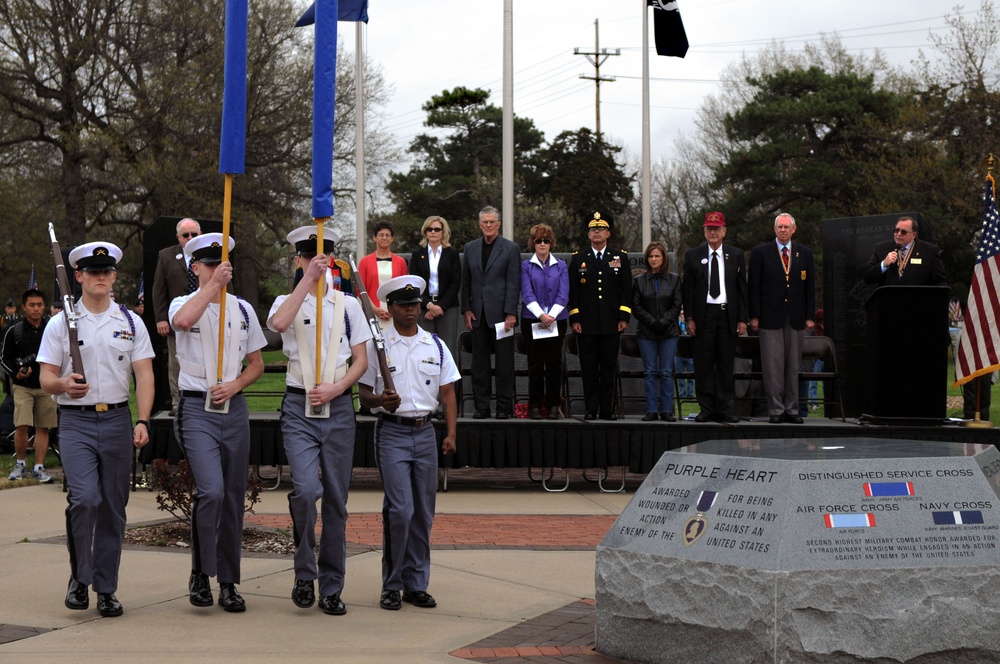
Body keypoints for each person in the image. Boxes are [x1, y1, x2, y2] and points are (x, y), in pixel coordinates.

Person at [37, 242, 154, 618]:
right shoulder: (61, 323)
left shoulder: (130, 322)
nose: (100, 278)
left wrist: (143, 419)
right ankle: (79, 577)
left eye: (106, 272)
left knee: (113, 508)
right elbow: (45, 378)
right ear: (79, 277)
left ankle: (106, 588)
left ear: (114, 276)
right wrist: (63, 385)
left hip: (118, 419)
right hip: (76, 421)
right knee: (85, 499)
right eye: (93, 272)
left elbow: (145, 375)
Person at [267, 226, 371, 616]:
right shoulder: (287, 300)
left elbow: (360, 360)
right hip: (299, 407)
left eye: (323, 254)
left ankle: (331, 586)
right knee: (307, 490)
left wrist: (338, 387)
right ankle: (303, 571)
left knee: (337, 503)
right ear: (298, 259)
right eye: (309, 255)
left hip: (339, 408)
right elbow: (278, 325)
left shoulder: (348, 305)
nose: (317, 260)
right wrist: (307, 281)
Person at [169, 232, 266, 613]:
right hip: (196, 408)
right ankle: (200, 572)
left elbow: (256, 363)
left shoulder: (242, 310)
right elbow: (182, 320)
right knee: (210, 491)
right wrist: (212, 286)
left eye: (221, 264)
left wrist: (237, 383)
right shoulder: (186, 300)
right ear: (196, 268)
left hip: (234, 408)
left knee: (232, 497)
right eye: (209, 265)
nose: (217, 270)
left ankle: (228, 581)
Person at [358, 275, 459, 612]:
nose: (411, 311)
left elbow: (448, 392)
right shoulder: (379, 346)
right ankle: (392, 584)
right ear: (390, 308)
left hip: (425, 433)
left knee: (423, 514)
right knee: (400, 510)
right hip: (393, 432)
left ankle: (416, 584)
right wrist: (379, 401)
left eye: (415, 305)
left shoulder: (436, 345)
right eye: (404, 306)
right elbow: (363, 395)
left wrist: (450, 433)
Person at [749, 213, 816, 424]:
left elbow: (810, 287)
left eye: (787, 227)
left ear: (794, 229)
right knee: (772, 365)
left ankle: (792, 409)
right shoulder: (761, 253)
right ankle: (776, 410)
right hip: (769, 317)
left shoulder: (804, 253)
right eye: (780, 227)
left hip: (795, 317)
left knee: (793, 365)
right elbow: (754, 286)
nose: (783, 230)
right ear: (774, 229)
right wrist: (754, 315)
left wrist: (810, 317)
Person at [681, 211, 748, 423]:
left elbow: (741, 289)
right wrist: (689, 317)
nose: (712, 232)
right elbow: (688, 290)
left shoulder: (736, 255)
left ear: (724, 231)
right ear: (704, 231)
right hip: (702, 317)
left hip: (727, 315)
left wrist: (742, 319)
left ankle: (724, 408)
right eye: (709, 228)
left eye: (716, 228)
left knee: (726, 363)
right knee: (703, 364)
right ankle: (706, 408)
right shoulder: (692, 255)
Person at [568, 212, 633, 421]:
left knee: (608, 368)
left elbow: (626, 290)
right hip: (586, 325)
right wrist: (575, 319)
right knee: (588, 368)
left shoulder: (619, 257)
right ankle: (591, 409)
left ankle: (607, 409)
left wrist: (624, 317)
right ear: (588, 234)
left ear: (608, 233)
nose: (596, 232)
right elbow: (573, 291)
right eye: (592, 229)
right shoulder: (579, 258)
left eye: (600, 229)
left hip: (612, 323)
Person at [461, 206, 521, 419]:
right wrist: (466, 309)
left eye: (491, 222)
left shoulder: (511, 249)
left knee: (505, 364)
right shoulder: (470, 248)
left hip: (503, 316)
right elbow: (465, 281)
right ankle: (482, 407)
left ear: (498, 224)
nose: (488, 225)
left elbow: (514, 283)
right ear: (479, 224)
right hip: (477, 314)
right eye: (484, 222)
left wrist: (511, 312)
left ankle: (504, 407)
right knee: (480, 364)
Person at [2, 289, 57, 482]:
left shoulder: (52, 328)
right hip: (22, 386)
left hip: (46, 386)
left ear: (44, 306)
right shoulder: (14, 331)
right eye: (32, 305)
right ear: (24, 307)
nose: (36, 309)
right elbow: (4, 358)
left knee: (43, 427)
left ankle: (39, 467)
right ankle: (20, 464)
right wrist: (15, 373)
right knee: (22, 425)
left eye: (39, 305)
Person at [152, 218, 202, 414]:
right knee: (175, 361)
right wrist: (161, 318)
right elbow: (159, 289)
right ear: (178, 237)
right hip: (176, 320)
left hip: (206, 317)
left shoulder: (210, 253)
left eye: (194, 235)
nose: (190, 238)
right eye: (185, 235)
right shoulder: (166, 256)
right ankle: (177, 402)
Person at [520, 224, 569, 420]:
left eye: (546, 241)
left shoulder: (561, 265)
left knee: (554, 364)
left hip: (557, 320)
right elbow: (527, 293)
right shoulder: (526, 266)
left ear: (551, 243)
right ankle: (534, 405)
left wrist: (552, 316)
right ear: (533, 243)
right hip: (532, 319)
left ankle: (554, 405)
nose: (542, 244)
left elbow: (563, 294)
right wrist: (541, 315)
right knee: (535, 364)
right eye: (538, 240)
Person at [632, 241, 682, 422]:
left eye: (657, 256)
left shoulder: (675, 279)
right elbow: (636, 306)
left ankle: (667, 410)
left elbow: (677, 305)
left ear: (663, 258)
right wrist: (653, 322)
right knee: (651, 371)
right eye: (651, 256)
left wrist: (664, 322)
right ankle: (652, 410)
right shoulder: (639, 281)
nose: (654, 259)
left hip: (669, 332)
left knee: (666, 371)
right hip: (647, 332)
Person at [408, 215, 462, 363]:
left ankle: (448, 386)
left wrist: (440, 306)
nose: (433, 232)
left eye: (437, 229)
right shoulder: (418, 255)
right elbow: (414, 282)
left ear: (443, 232)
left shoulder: (452, 254)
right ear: (425, 232)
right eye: (429, 229)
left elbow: (455, 282)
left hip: (448, 308)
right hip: (424, 307)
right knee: (425, 350)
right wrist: (429, 305)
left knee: (447, 350)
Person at [862, 215, 947, 287]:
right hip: (888, 304)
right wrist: (884, 264)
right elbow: (867, 277)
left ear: (914, 234)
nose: (898, 234)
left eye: (903, 232)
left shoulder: (929, 251)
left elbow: (941, 282)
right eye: (896, 230)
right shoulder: (881, 248)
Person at [357, 221, 408, 330]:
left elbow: (403, 289)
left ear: (392, 238)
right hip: (372, 313)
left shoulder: (400, 262)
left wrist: (394, 309)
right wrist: (374, 309)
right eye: (381, 235)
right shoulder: (364, 262)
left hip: (394, 313)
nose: (384, 238)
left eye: (387, 235)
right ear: (374, 238)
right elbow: (360, 290)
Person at [675, 308, 695, 400]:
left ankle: (690, 394)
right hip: (679, 355)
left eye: (684, 312)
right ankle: (682, 394)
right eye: (681, 313)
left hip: (690, 355)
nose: (683, 314)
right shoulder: (677, 326)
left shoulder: (692, 326)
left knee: (691, 377)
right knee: (680, 377)